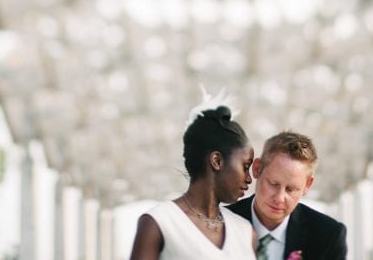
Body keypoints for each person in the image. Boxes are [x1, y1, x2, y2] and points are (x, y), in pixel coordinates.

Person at [129, 104, 257, 259]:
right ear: (217, 161)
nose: (249, 178)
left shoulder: (245, 231)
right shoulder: (159, 223)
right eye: (245, 166)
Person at [227, 131, 348, 260]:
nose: (279, 198)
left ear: (307, 185)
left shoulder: (328, 236)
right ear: (257, 169)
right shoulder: (221, 224)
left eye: (291, 189)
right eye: (273, 184)